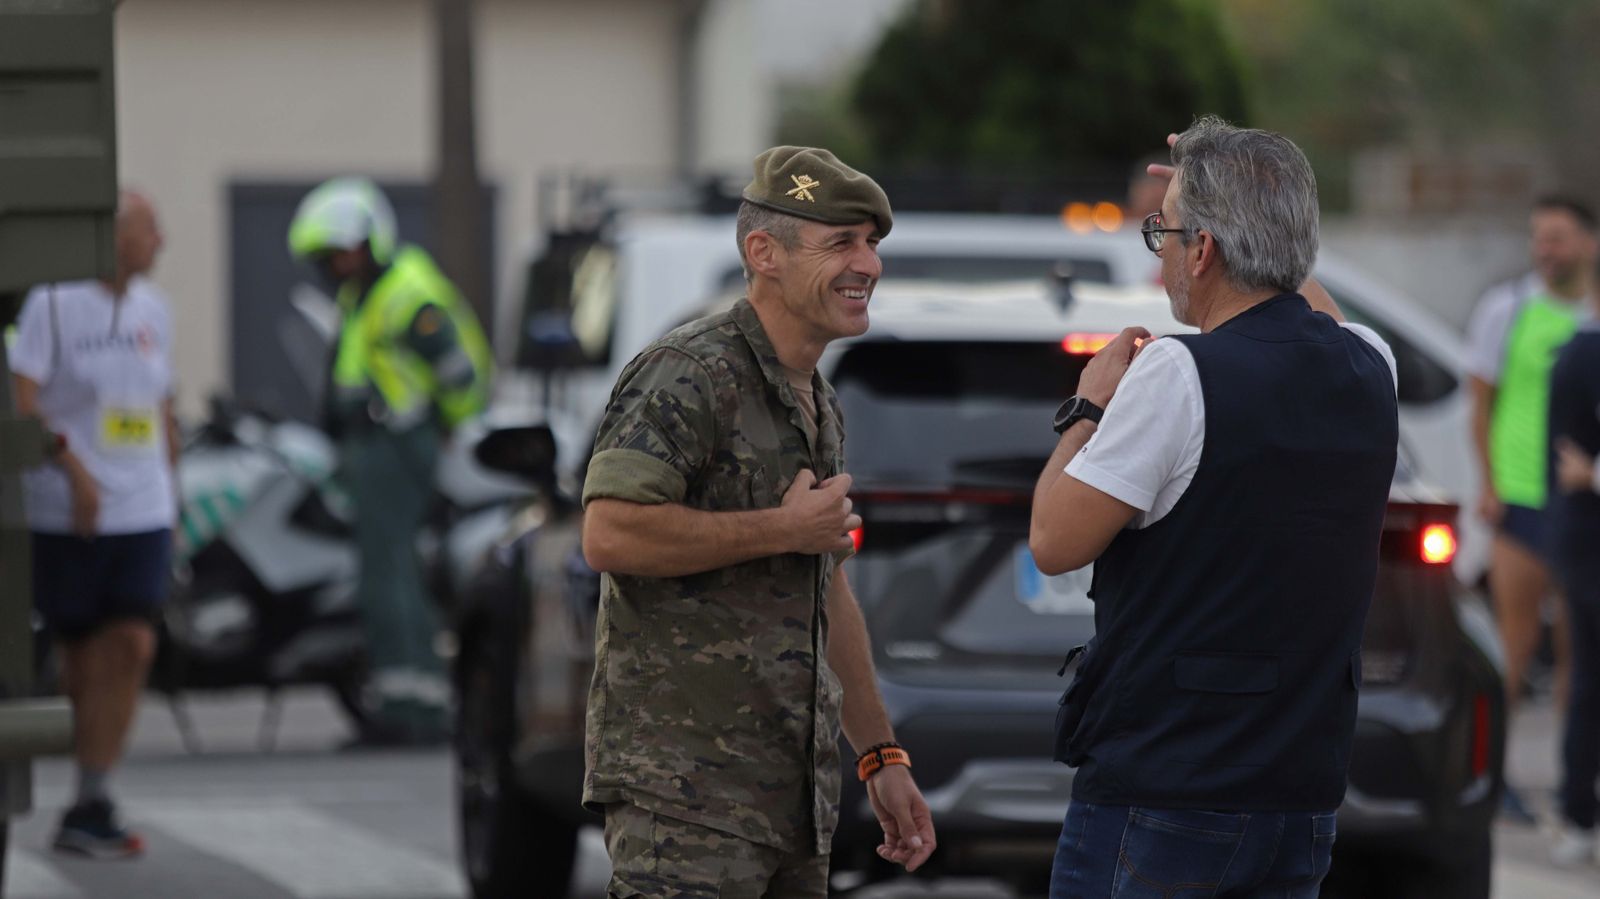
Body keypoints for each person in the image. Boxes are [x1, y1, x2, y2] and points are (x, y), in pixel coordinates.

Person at [1029, 117, 1398, 898]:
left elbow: (1054, 539)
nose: (1158, 254)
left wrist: (1087, 409)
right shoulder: (1371, 366)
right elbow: (1297, 295)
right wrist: (1245, 193)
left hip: (1166, 784)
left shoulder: (1176, 375)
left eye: (1162, 233)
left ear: (1201, 251)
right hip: (1300, 791)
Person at [579, 146, 935, 897]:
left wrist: (880, 755)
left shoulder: (818, 399)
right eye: (841, 242)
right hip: (685, 799)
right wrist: (783, 529)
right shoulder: (690, 371)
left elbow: (826, 585)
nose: (868, 264)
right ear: (764, 253)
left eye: (872, 243)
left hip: (793, 802)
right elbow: (610, 533)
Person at [287, 177, 493, 744]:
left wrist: (441, 425)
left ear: (369, 242)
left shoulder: (406, 294)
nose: (333, 266)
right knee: (384, 573)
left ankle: (415, 709)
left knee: (390, 575)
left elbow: (459, 376)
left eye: (339, 252)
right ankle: (404, 701)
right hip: (374, 447)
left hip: (395, 446)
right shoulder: (366, 294)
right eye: (325, 257)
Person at [11, 190, 180, 858]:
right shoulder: (52, 304)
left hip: (142, 509)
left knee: (133, 644)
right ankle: (85, 791)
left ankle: (94, 796)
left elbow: (161, 406)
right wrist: (73, 471)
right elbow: (25, 402)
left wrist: (174, 491)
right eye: (149, 229)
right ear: (113, 237)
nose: (160, 242)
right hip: (68, 513)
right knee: (80, 656)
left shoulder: (154, 310)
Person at [1464, 195, 1596, 821]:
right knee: (1513, 644)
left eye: (1558, 237)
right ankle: (1494, 777)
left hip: (1581, 504)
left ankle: (1574, 784)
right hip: (1519, 498)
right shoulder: (1507, 308)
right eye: (1538, 237)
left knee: (1579, 652)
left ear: (1590, 243)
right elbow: (1481, 403)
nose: (1546, 249)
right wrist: (1489, 484)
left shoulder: (1593, 317)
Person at [1546, 308, 1600, 865]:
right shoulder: (1586, 354)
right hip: (1586, 540)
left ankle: (1578, 814)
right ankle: (1579, 813)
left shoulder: (1573, 351)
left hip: (1578, 540)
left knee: (1587, 682)